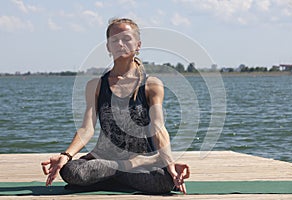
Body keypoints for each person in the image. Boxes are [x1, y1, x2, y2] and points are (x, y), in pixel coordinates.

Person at [41, 18, 190, 195]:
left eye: (126, 39)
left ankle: (108, 177)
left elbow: (158, 127)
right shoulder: (95, 85)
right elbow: (86, 128)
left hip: (141, 161)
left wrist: (169, 162)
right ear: (108, 47)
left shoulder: (151, 85)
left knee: (164, 180)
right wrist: (65, 156)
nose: (120, 43)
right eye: (114, 40)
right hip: (107, 159)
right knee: (70, 170)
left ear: (138, 44)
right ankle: (117, 174)